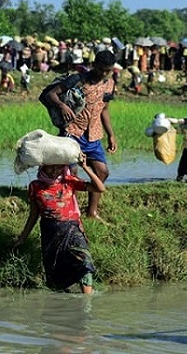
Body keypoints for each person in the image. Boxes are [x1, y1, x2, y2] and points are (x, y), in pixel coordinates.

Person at [14, 153, 105, 294]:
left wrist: (85, 167)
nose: (54, 171)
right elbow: (34, 215)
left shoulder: (69, 181)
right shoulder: (35, 186)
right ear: (42, 167)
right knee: (55, 272)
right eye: (51, 168)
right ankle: (62, 302)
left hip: (73, 229)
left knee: (84, 260)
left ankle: (87, 300)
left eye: (58, 167)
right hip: (50, 232)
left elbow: (100, 188)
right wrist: (23, 237)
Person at [44, 49, 117, 221]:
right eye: (101, 69)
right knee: (71, 172)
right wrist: (62, 106)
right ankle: (70, 210)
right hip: (72, 131)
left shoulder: (110, 84)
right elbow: (51, 94)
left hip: (94, 134)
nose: (104, 73)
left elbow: (104, 110)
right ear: (94, 65)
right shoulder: (77, 79)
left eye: (108, 70)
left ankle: (92, 212)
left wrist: (111, 135)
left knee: (103, 172)